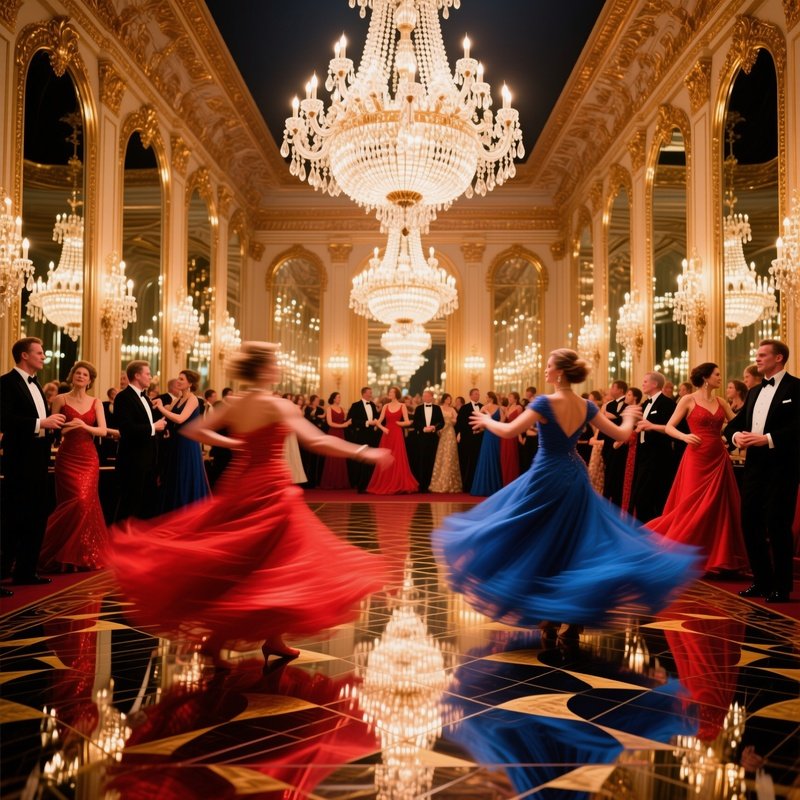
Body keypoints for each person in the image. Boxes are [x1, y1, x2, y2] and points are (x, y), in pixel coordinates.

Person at [106, 341, 392, 663]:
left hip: (241, 482)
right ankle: (246, 636)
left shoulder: (236, 403)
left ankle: (262, 638)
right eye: (274, 362)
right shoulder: (278, 405)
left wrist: (234, 442)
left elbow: (194, 430)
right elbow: (317, 440)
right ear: (266, 369)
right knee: (276, 560)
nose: (278, 367)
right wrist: (365, 452)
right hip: (271, 486)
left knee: (243, 559)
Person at [433, 348, 700, 628]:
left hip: (547, 475)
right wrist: (631, 418)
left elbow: (510, 432)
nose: (546, 370)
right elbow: (621, 434)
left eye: (549, 366)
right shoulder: (586, 406)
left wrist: (488, 420)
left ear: (559, 372)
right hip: (575, 474)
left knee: (541, 539)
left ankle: (548, 612)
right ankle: (571, 619)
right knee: (575, 539)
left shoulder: (545, 403)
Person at [646, 363, 747, 575]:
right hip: (696, 458)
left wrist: (732, 437)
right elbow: (669, 426)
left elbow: (737, 424)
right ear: (705, 377)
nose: (721, 378)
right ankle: (685, 554)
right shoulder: (687, 399)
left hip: (718, 458)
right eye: (717, 375)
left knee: (718, 508)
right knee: (691, 506)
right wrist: (684, 436)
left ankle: (715, 558)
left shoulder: (721, 401)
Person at [723, 340, 800, 603]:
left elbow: (797, 429)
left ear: (779, 358)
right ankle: (761, 580)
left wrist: (766, 439)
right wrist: (737, 439)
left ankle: (781, 585)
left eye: (762, 355)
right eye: (756, 354)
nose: (757, 359)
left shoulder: (796, 387)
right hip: (754, 467)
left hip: (782, 467)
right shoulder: (755, 392)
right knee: (750, 522)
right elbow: (732, 426)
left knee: (778, 525)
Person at [0, 337, 65, 591]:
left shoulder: (36, 384)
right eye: (39, 352)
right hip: (18, 460)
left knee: (37, 516)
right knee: (13, 517)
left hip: (39, 459)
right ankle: (3, 571)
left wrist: (53, 426)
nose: (43, 356)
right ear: (24, 356)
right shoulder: (6, 383)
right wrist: (41, 424)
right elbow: (4, 419)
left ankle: (26, 571)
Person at [39, 361, 109, 572]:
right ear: (72, 376)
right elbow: (54, 429)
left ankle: (82, 554)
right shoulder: (61, 399)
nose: (80, 376)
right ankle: (59, 554)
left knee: (84, 503)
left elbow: (103, 431)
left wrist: (84, 425)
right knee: (71, 503)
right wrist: (69, 427)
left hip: (88, 458)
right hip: (67, 457)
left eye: (84, 374)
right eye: (77, 373)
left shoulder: (96, 402)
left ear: (90, 380)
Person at [113, 360, 167, 521]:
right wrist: (153, 427)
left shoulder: (145, 398)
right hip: (132, 461)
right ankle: (122, 539)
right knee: (129, 504)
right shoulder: (123, 397)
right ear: (137, 375)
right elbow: (126, 428)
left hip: (149, 460)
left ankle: (140, 540)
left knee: (146, 504)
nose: (151, 377)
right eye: (147, 374)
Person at [153, 369, 209, 513]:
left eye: (182, 379)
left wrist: (160, 407)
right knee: (174, 476)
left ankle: (186, 511)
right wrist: (161, 404)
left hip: (187, 443)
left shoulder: (193, 399)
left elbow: (179, 418)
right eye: (178, 378)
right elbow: (169, 410)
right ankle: (174, 511)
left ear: (190, 383)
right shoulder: (178, 398)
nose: (178, 381)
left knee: (184, 475)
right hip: (176, 442)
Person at [629, 371, 677, 522]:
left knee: (654, 497)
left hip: (659, 456)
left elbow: (673, 429)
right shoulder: (645, 404)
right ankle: (645, 530)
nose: (642, 384)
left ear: (655, 384)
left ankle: (654, 531)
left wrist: (652, 426)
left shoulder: (667, 403)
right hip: (643, 453)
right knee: (639, 497)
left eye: (645, 381)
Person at [367, 387, 418, 494]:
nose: (389, 393)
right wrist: (383, 428)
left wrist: (400, 424)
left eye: (392, 392)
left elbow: (408, 422)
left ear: (396, 394)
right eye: (389, 392)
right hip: (386, 435)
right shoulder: (385, 406)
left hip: (397, 434)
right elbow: (379, 421)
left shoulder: (402, 406)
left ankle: (398, 483)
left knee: (397, 457)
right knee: (386, 458)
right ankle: (385, 483)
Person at [346, 387, 380, 492]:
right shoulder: (355, 405)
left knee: (370, 461)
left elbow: (376, 418)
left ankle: (368, 485)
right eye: (370, 393)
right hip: (360, 436)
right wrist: (366, 423)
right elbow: (351, 420)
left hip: (372, 436)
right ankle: (360, 486)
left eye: (371, 393)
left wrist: (375, 424)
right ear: (364, 394)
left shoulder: (373, 405)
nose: (371, 395)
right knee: (361, 461)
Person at [471, 391, 504, 496]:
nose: (485, 398)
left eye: (486, 397)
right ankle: (495, 486)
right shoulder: (500, 408)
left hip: (488, 434)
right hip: (496, 434)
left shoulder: (484, 408)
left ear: (490, 398)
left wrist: (482, 428)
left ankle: (483, 486)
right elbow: (502, 422)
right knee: (495, 457)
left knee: (486, 458)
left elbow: (478, 422)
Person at [410, 389, 444, 492]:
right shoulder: (419, 409)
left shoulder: (437, 408)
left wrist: (434, 427)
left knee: (432, 461)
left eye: (425, 396)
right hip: (421, 438)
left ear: (431, 397)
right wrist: (423, 428)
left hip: (433, 438)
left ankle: (430, 484)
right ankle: (421, 485)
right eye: (423, 396)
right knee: (421, 461)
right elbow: (415, 423)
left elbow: (442, 422)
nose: (423, 397)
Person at [600, 380, 628, 506]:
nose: (610, 389)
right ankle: (607, 502)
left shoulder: (627, 405)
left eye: (613, 387)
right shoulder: (608, 405)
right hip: (608, 444)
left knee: (619, 475)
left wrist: (615, 417)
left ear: (621, 390)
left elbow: (626, 421)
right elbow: (602, 422)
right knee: (608, 474)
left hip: (622, 445)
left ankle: (617, 503)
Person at [429, 393, 462, 493]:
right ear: (444, 399)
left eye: (450, 399)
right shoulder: (439, 408)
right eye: (448, 399)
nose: (449, 400)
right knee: (441, 455)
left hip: (450, 432)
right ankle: (439, 482)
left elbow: (457, 419)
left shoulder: (452, 409)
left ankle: (451, 482)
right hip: (442, 432)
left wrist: (451, 421)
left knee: (450, 455)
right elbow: (436, 420)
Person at [319, 392, 352, 489]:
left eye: (340, 397)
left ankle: (340, 482)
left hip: (341, 434)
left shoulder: (342, 409)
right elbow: (330, 423)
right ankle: (331, 482)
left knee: (340, 456)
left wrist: (348, 422)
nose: (339, 399)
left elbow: (344, 421)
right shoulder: (329, 408)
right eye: (338, 397)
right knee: (332, 457)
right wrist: (343, 425)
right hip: (333, 433)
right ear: (333, 399)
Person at [456, 388, 483, 492]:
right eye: (476, 394)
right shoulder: (464, 408)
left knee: (477, 461)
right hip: (467, 439)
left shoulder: (482, 407)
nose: (477, 396)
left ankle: (477, 483)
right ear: (470, 396)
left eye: (478, 394)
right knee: (466, 461)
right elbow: (460, 423)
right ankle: (466, 485)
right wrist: (472, 430)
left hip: (479, 438)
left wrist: (480, 430)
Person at [500, 391, 523, 485]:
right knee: (504, 456)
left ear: (516, 399)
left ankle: (513, 480)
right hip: (506, 433)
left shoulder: (519, 407)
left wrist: (520, 435)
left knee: (512, 455)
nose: (509, 398)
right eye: (509, 397)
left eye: (511, 397)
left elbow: (520, 421)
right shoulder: (507, 408)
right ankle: (505, 481)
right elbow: (504, 420)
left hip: (514, 433)